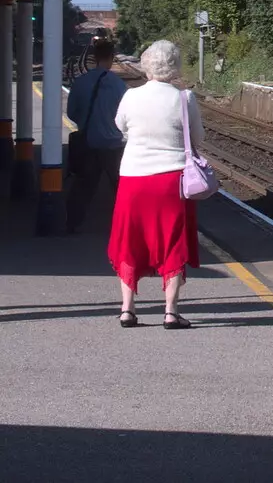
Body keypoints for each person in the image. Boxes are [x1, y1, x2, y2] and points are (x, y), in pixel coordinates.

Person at [107, 41, 203, 330]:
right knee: (173, 240)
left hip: (133, 178)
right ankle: (171, 312)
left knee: (129, 239)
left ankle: (127, 309)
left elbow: (120, 127)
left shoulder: (130, 96)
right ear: (175, 67)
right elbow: (197, 140)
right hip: (171, 181)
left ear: (146, 65)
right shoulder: (185, 98)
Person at [65, 40, 128, 233]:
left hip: (89, 142)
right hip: (114, 145)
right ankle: (124, 227)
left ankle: (71, 225)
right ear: (111, 58)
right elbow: (126, 117)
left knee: (84, 185)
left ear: (94, 57)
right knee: (120, 187)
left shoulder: (81, 82)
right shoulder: (119, 85)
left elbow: (71, 112)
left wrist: (87, 123)